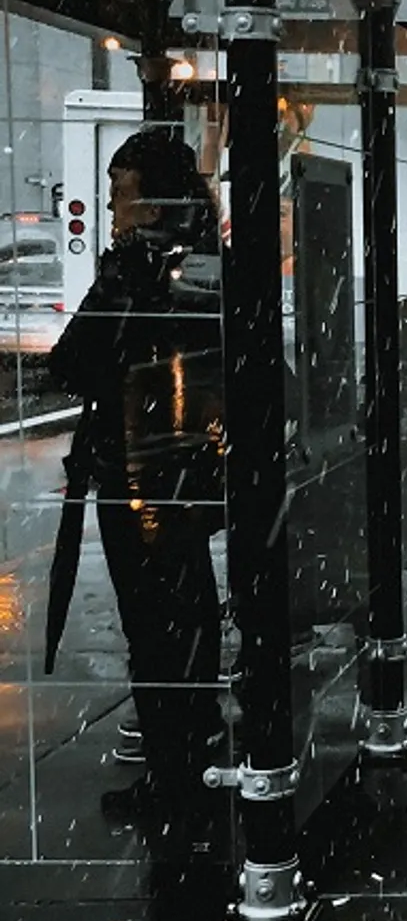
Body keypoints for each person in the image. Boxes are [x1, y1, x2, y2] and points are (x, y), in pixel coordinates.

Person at [49, 127, 225, 833]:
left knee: (151, 623)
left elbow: (74, 359)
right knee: (189, 608)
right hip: (184, 468)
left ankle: (173, 775)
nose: (114, 209)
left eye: (121, 194)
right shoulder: (204, 257)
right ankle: (194, 749)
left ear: (150, 203)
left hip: (136, 469)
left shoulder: (136, 266)